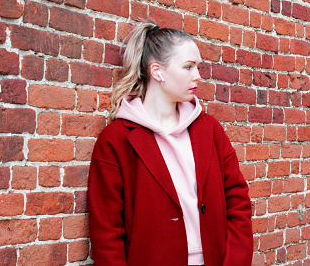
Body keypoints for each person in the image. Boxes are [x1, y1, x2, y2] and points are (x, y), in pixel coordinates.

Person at [88, 22, 254, 266]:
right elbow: (106, 231)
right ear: (158, 72)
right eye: (188, 67)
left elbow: (238, 202)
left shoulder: (210, 130)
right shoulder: (116, 140)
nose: (198, 75)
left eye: (198, 66)